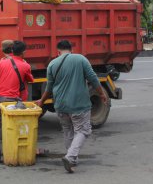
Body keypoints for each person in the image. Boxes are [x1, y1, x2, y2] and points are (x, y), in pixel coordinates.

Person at [35, 40, 108, 173]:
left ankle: (72, 159)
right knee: (83, 130)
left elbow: (49, 87)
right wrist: (101, 94)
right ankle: (70, 156)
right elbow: (93, 78)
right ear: (71, 50)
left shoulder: (52, 63)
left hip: (60, 105)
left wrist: (42, 101)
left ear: (58, 52)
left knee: (68, 130)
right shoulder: (80, 59)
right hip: (78, 104)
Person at [0, 40, 34, 159]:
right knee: (12, 126)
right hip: (11, 100)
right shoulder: (25, 65)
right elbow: (30, 79)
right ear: (23, 52)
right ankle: (12, 152)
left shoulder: (3, 62)